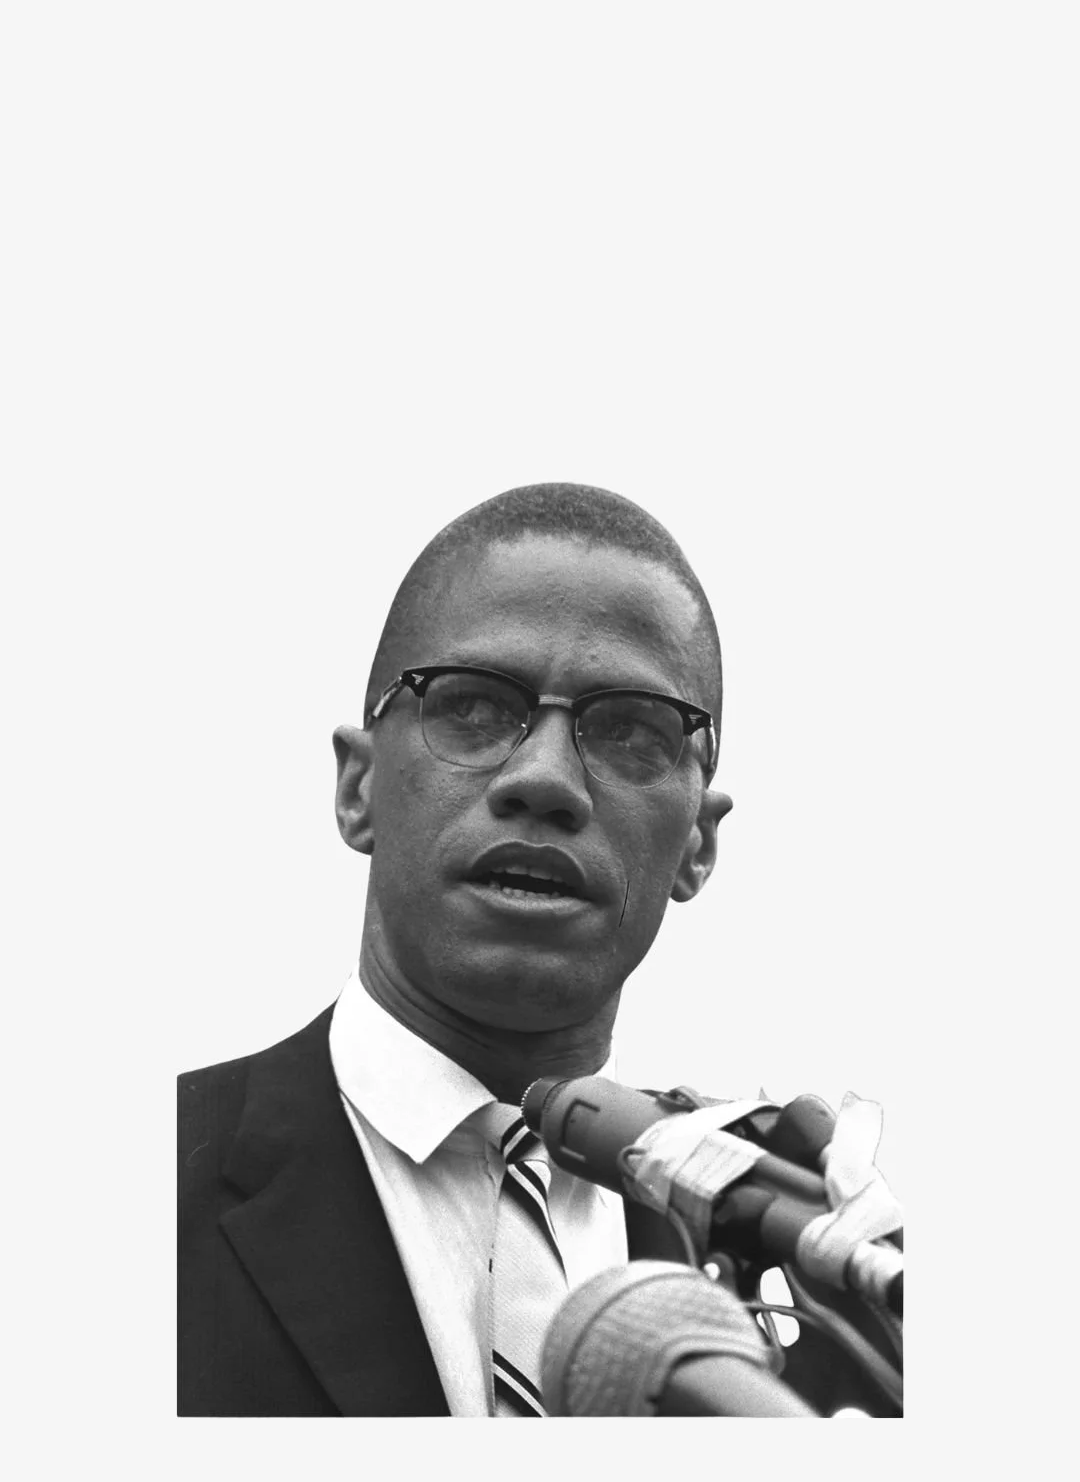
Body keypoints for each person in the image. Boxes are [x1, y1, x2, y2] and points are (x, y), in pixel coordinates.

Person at [179, 481, 843, 1416]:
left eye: (631, 729)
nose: (544, 779)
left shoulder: (802, 1288)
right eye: (474, 708)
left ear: (698, 843)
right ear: (358, 789)